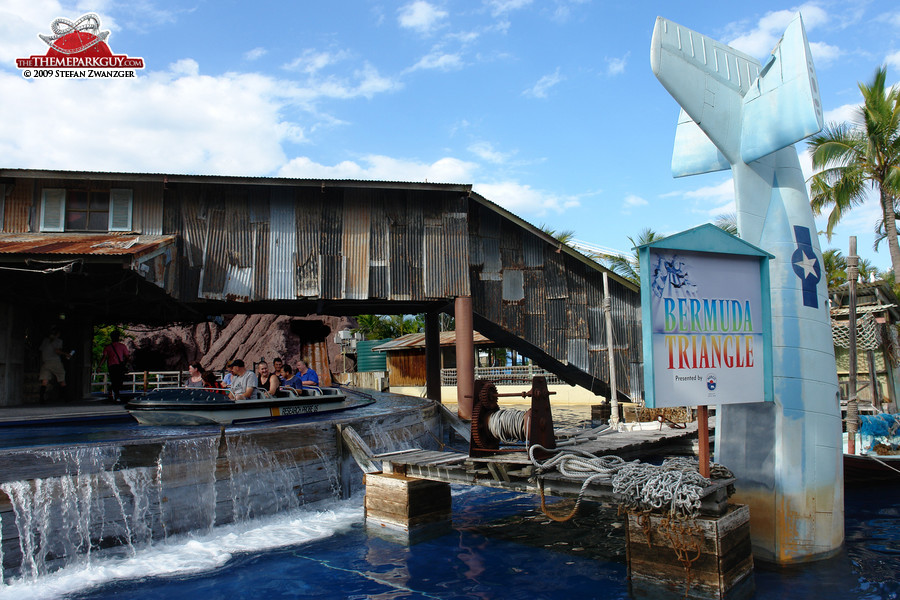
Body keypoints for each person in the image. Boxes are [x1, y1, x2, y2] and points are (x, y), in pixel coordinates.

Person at [99, 330, 130, 402]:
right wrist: (124, 364)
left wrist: (99, 366)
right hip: (120, 366)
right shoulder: (122, 346)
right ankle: (116, 394)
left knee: (114, 380)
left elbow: (104, 357)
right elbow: (127, 356)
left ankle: (114, 393)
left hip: (112, 366)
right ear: (118, 337)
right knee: (119, 380)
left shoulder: (108, 347)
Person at [39, 327, 68, 402]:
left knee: (45, 380)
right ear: (58, 334)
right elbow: (57, 351)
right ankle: (65, 397)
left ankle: (41, 398)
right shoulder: (58, 341)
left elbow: (41, 350)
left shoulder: (45, 340)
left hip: (46, 362)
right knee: (61, 378)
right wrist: (66, 354)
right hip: (55, 361)